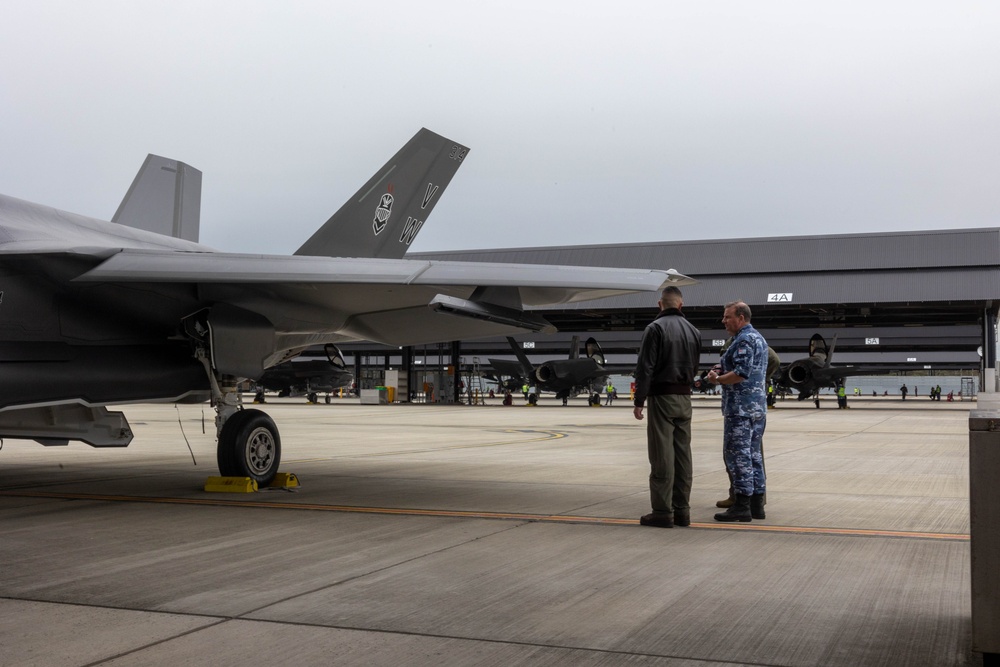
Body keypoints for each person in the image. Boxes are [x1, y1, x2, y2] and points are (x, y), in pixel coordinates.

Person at [632, 286, 702, 528]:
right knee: (684, 455)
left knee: (662, 454)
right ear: (680, 305)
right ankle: (682, 510)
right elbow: (694, 368)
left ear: (659, 304)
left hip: (662, 397)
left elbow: (645, 368)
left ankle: (663, 511)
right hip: (685, 398)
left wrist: (639, 400)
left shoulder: (655, 328)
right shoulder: (694, 330)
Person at [707, 301, 768, 522]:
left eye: (727, 317)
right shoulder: (758, 338)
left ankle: (741, 505)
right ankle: (756, 505)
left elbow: (740, 373)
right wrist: (721, 368)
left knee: (738, 456)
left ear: (740, 318)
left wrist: (717, 380)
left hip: (741, 409)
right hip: (756, 408)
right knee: (753, 456)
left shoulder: (743, 340)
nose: (724, 321)